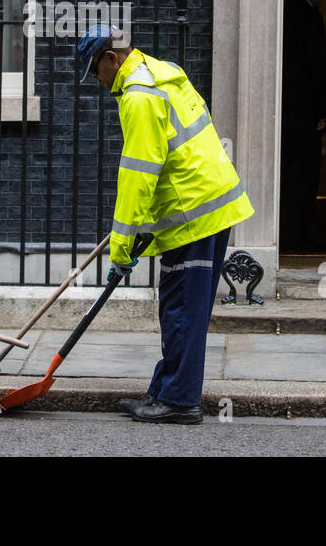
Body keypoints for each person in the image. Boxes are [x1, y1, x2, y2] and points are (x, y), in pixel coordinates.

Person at [77, 23, 254, 424]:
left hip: (194, 213)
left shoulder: (139, 97)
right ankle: (165, 388)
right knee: (180, 306)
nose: (96, 80)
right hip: (207, 203)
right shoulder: (161, 71)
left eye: (95, 70)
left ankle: (178, 401)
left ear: (111, 58)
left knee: (182, 311)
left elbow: (139, 174)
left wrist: (122, 249)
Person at [281, 0, 326, 252]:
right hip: (305, 113)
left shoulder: (284, 10)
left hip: (287, 111)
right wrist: (324, 109)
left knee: (289, 176)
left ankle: (289, 234)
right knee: (304, 177)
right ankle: (298, 236)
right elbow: (317, 66)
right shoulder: (309, 16)